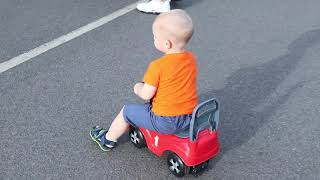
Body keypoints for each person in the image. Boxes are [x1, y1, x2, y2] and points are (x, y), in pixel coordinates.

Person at [90, 9, 198, 152]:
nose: (153, 39)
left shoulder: (158, 66)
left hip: (165, 121)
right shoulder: (191, 59)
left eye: (155, 37)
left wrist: (138, 87)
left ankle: (107, 139)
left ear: (167, 44)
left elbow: (146, 94)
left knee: (127, 111)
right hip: (189, 116)